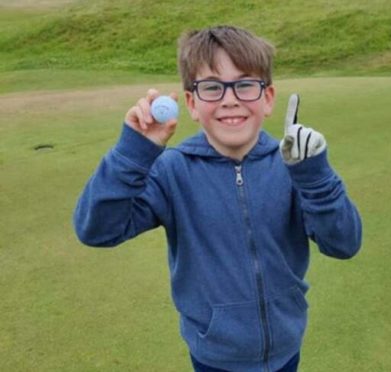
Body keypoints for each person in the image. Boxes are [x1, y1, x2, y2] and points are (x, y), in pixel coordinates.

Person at [74, 25, 362, 372]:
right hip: (215, 358)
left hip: (286, 350)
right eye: (212, 87)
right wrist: (134, 151)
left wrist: (315, 177)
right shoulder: (172, 171)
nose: (230, 99)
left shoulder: (294, 166)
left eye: (245, 84)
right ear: (192, 104)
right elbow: (96, 229)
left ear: (267, 97)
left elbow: (344, 243)